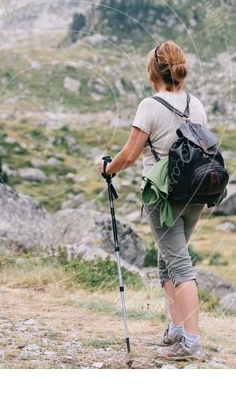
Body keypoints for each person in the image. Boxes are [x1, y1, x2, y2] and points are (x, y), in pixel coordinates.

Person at [98, 40, 208, 360]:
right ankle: (176, 331)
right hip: (195, 194)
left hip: (163, 196)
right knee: (168, 259)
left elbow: (130, 155)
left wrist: (108, 169)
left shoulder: (150, 106)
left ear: (152, 73)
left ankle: (191, 341)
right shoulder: (196, 105)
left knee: (179, 264)